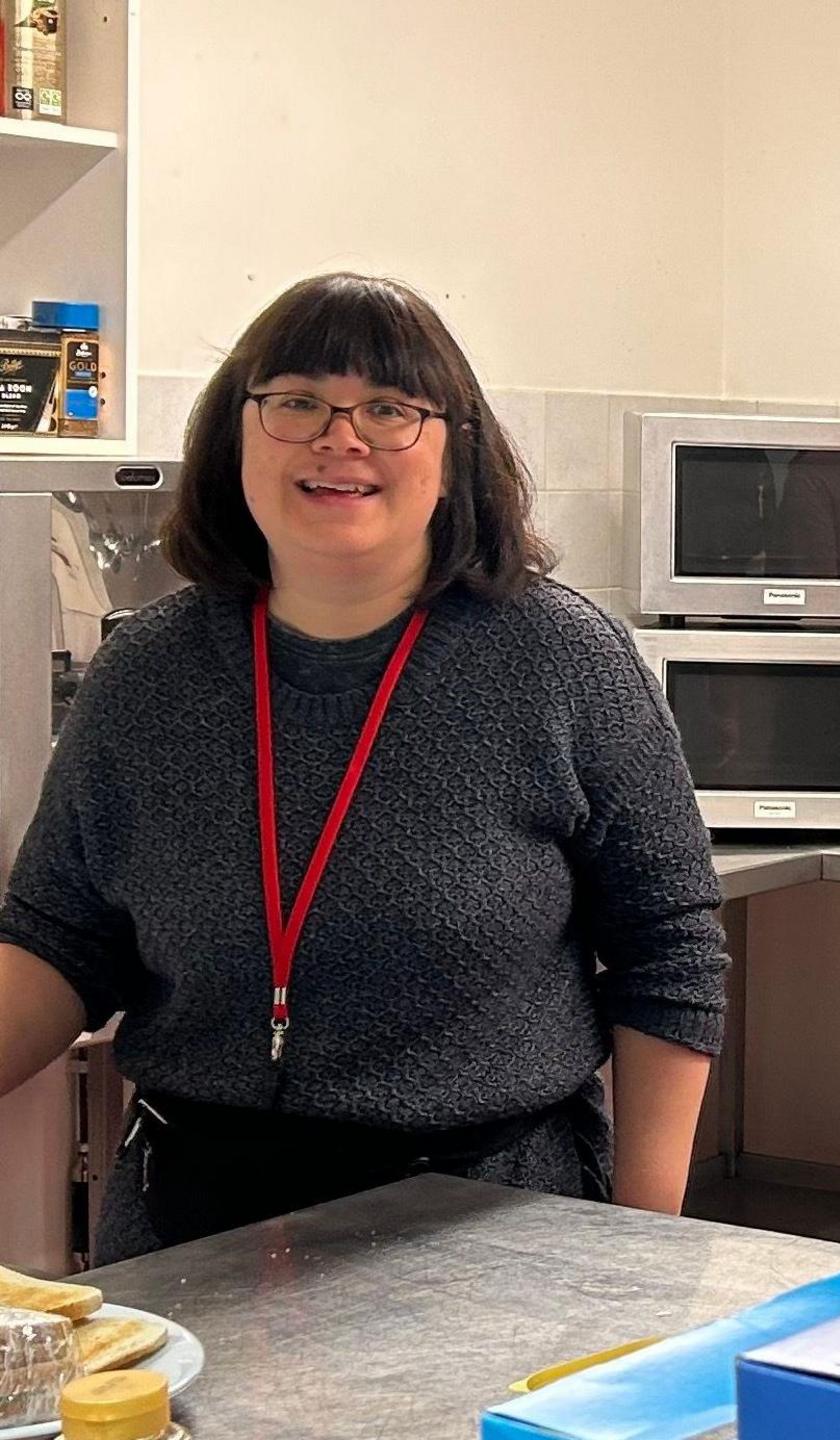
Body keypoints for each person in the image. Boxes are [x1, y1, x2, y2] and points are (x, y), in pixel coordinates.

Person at [0, 273, 730, 1262]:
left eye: (389, 408)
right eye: (296, 400)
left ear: (452, 446)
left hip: (490, 1234)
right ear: (237, 434)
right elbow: (59, 936)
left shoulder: (559, 660)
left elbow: (668, 950)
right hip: (192, 1232)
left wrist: (643, 1247)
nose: (339, 439)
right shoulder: (148, 671)